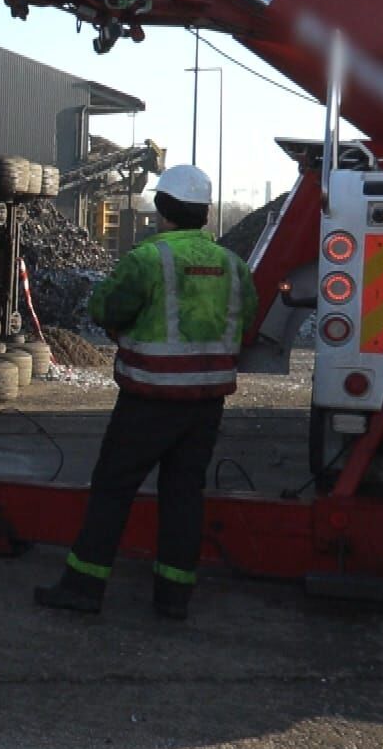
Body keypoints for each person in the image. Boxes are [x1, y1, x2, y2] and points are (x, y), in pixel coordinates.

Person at [34, 165, 256, 620]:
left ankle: (83, 587)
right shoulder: (233, 265)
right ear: (205, 211)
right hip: (206, 403)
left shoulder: (148, 260)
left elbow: (106, 308)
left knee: (113, 489)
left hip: (150, 399)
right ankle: (173, 598)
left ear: (161, 208)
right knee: (184, 494)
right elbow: (246, 318)